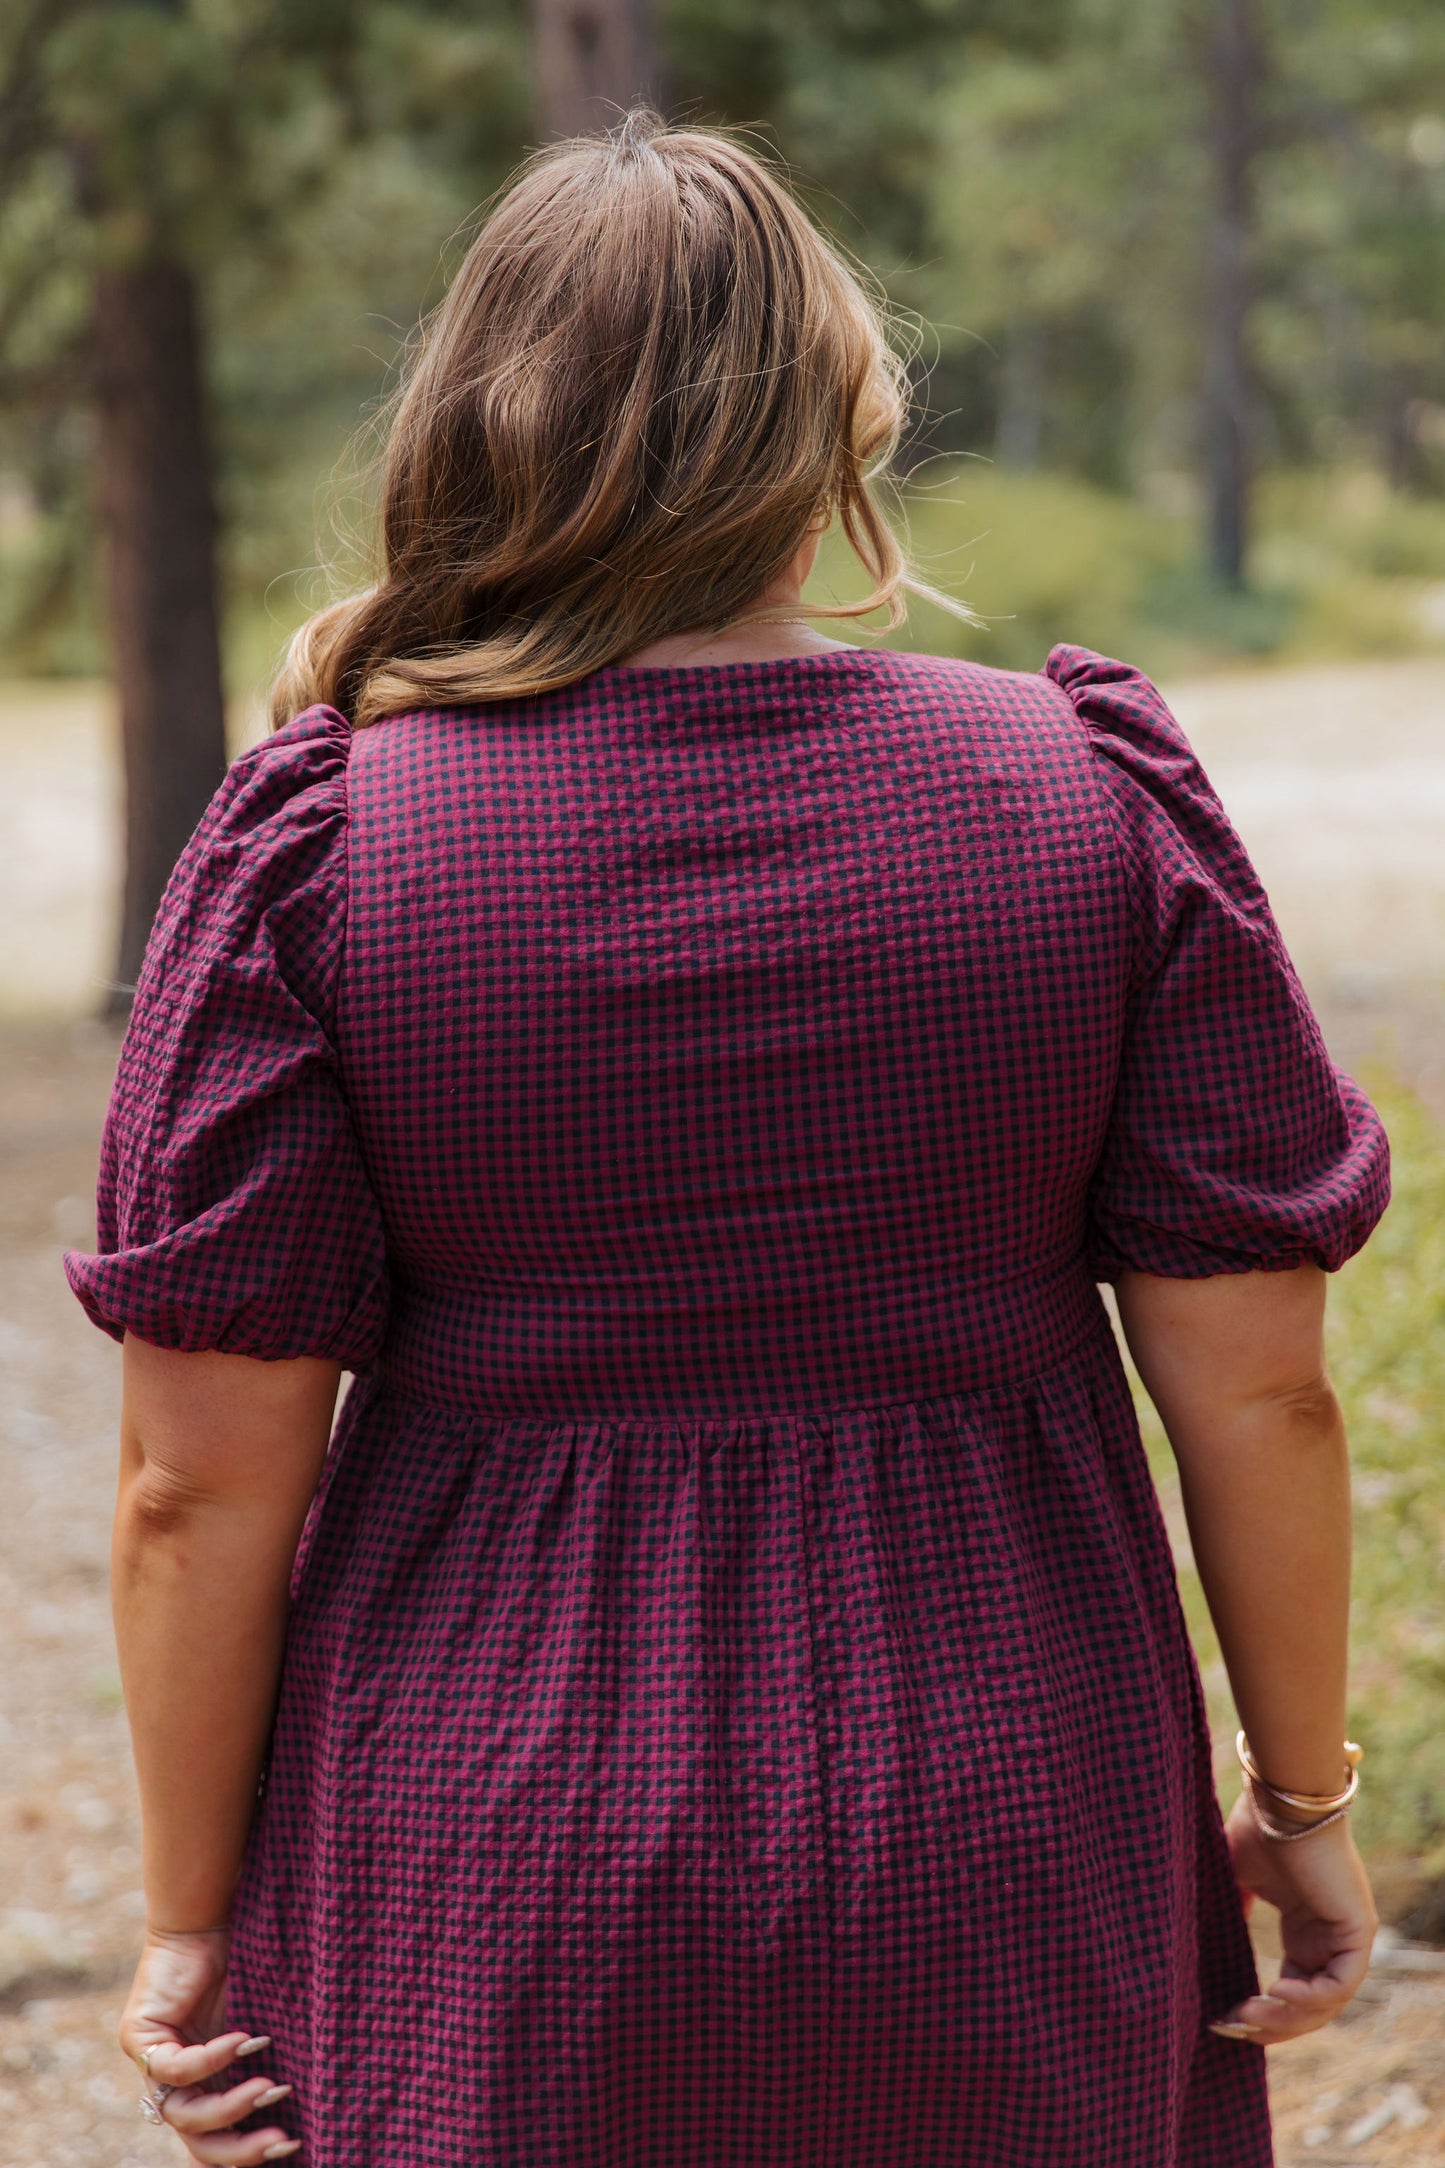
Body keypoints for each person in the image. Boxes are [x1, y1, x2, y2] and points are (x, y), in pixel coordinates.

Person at [65, 108, 1389, 2168]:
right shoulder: (1085, 792)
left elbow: (189, 1482)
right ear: (837, 418)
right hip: (1013, 1818)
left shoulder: (325, 849)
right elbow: (1268, 1389)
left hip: (482, 1862)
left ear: (477, 425)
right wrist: (1305, 1800)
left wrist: (184, 1914)